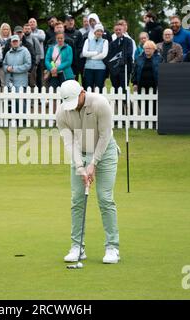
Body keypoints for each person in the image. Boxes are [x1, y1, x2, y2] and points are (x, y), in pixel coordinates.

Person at [56, 79, 121, 265]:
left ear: (82, 92)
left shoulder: (100, 103)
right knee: (77, 199)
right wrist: (80, 167)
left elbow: (105, 135)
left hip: (105, 152)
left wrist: (93, 163)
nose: (73, 106)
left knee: (105, 198)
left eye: (76, 100)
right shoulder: (61, 112)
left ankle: (112, 247)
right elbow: (69, 142)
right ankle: (77, 247)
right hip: (80, 153)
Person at [104, 23, 133, 91]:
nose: (118, 31)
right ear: (114, 31)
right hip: (114, 70)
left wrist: (120, 59)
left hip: (125, 69)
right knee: (115, 88)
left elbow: (129, 53)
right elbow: (109, 56)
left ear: (123, 30)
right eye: (116, 30)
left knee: (124, 88)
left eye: (120, 30)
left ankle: (124, 101)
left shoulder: (128, 41)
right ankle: (116, 101)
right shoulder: (112, 44)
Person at [82, 23, 108, 91]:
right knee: (88, 88)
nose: (99, 33)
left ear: (102, 32)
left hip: (100, 68)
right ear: (94, 32)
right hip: (88, 67)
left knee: (99, 88)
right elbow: (84, 53)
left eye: (100, 31)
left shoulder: (105, 41)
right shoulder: (88, 41)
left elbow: (103, 54)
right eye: (97, 31)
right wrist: (96, 53)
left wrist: (91, 57)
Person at [64, 15, 84, 79]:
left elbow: (80, 47)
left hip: (75, 62)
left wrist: (73, 55)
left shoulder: (78, 33)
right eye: (68, 21)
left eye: (72, 20)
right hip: (63, 61)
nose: (71, 22)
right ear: (65, 22)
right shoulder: (62, 33)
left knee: (74, 82)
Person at [23, 23, 42, 88]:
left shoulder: (34, 39)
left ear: (31, 30)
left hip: (32, 65)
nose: (27, 30)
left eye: (28, 29)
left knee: (32, 83)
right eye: (25, 29)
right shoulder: (21, 39)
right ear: (23, 30)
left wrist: (35, 64)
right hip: (23, 64)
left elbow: (38, 53)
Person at [28, 18, 46, 88]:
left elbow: (42, 38)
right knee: (31, 77)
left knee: (40, 76)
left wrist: (30, 35)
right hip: (30, 58)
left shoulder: (41, 31)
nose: (32, 23)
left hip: (40, 57)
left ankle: (40, 92)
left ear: (36, 24)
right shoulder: (26, 34)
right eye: (30, 22)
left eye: (33, 22)